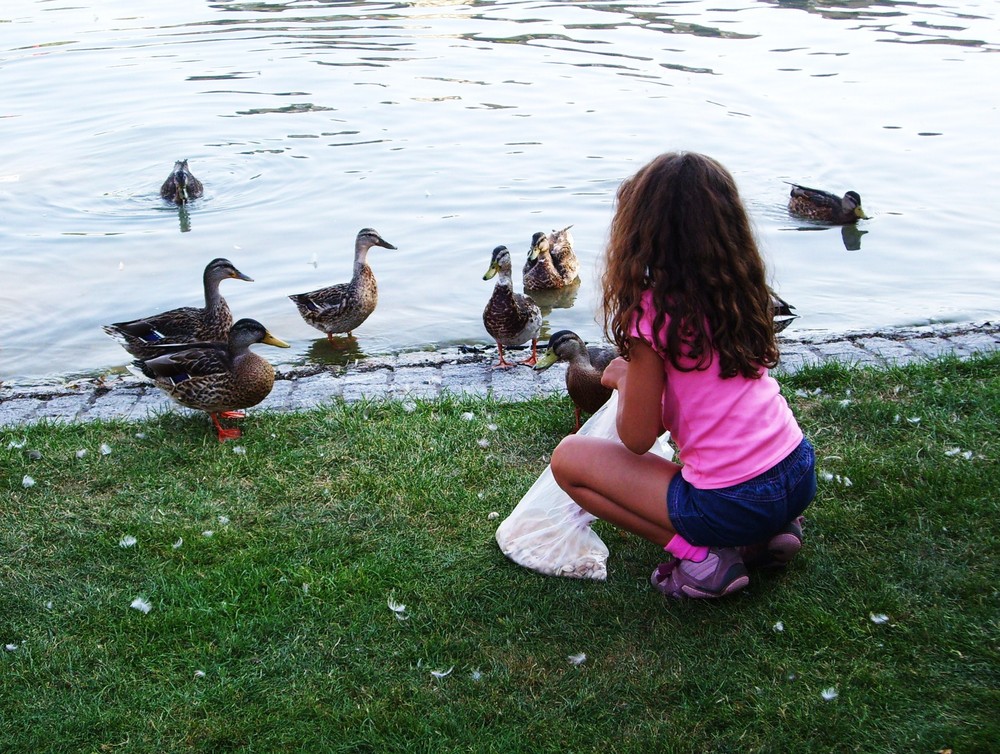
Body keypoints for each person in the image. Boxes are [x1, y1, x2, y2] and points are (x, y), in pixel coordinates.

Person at [550, 152, 816, 599]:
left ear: (639, 235)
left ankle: (702, 557)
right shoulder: (743, 293)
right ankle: (770, 533)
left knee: (569, 461)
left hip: (734, 502)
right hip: (796, 470)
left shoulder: (652, 317)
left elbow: (637, 437)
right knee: (745, 488)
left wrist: (623, 378)